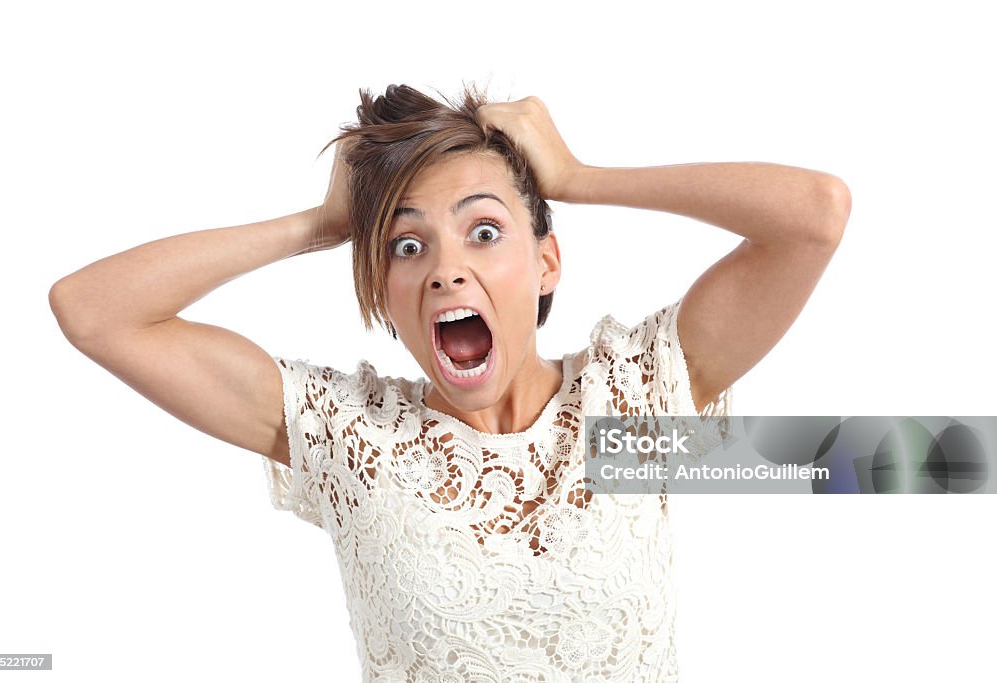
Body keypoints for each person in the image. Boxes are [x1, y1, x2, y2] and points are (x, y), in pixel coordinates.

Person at [49, 82, 851, 681]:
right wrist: (325, 225)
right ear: (385, 294)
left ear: (545, 263)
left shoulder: (628, 409)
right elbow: (92, 311)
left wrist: (578, 177)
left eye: (485, 230)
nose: (445, 270)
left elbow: (816, 214)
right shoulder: (355, 439)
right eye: (406, 247)